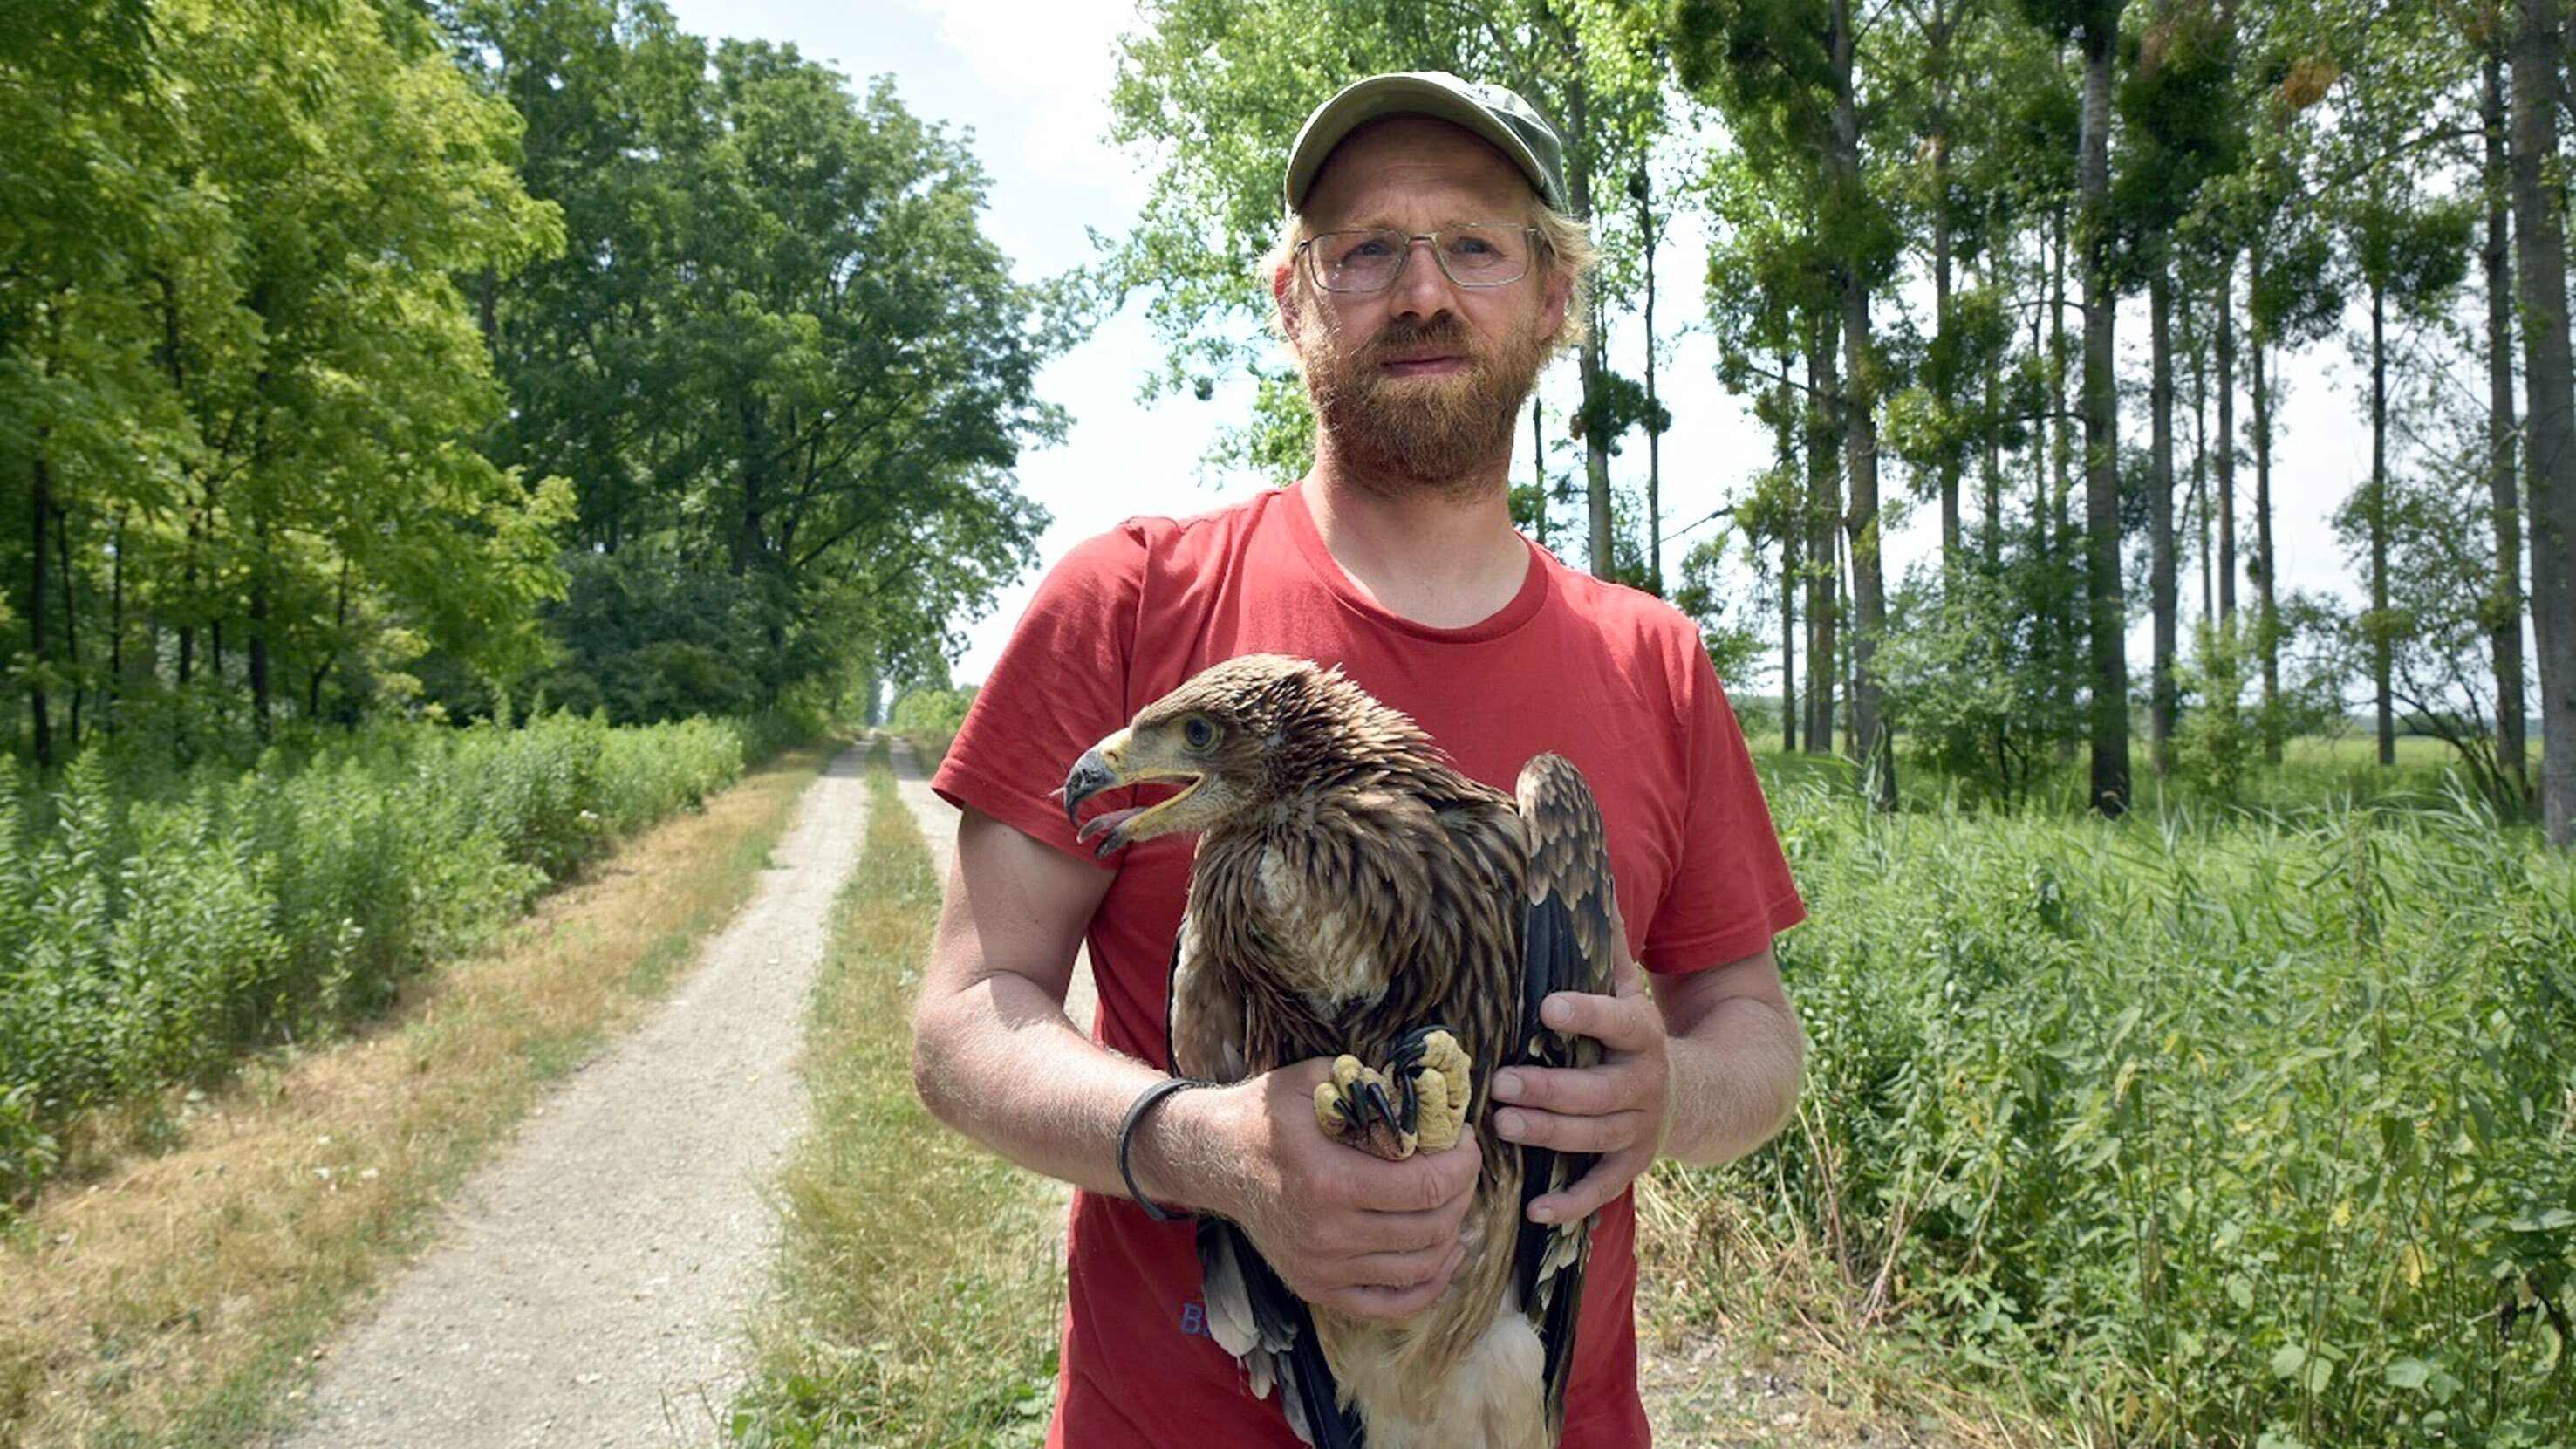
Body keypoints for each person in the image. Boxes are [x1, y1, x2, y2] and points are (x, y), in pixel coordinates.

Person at [912, 71, 1807, 1447]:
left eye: (1473, 245)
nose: (1421, 292)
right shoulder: (1130, 601)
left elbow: (1753, 1031)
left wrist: (1667, 1094)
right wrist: (1201, 1145)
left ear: (1550, 297)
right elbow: (969, 1021)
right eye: (1364, 249)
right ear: (1291, 298)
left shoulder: (1651, 661)